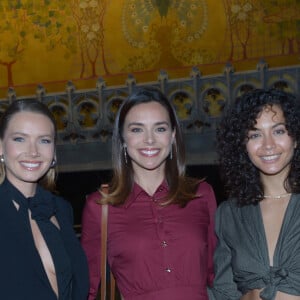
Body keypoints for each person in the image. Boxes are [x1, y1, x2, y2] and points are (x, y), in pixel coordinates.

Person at [81, 86, 217, 300]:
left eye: (160, 129)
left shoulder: (201, 194)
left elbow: (216, 274)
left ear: (172, 136)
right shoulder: (100, 205)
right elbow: (86, 287)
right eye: (137, 130)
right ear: (123, 139)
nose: (150, 140)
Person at [211, 89, 300, 300]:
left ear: (296, 138)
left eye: (279, 131)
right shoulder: (230, 213)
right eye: (255, 134)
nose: (268, 145)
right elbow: (224, 291)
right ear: (243, 146)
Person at [0, 99, 89, 300]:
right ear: (0, 147)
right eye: (19, 139)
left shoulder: (61, 209)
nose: (33, 152)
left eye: (44, 140)